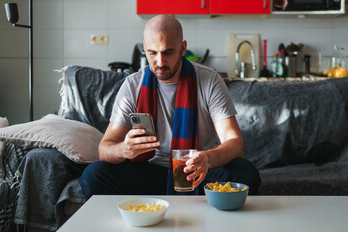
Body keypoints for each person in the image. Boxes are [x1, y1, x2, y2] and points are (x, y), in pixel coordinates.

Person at [79, 14, 260, 199]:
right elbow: (104, 148)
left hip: (196, 172)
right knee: (94, 174)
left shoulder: (209, 80)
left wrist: (208, 158)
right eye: (152, 53)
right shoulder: (132, 86)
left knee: (244, 172)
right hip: (149, 171)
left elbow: (235, 144)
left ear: (183, 48)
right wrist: (123, 149)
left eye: (168, 52)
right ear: (144, 48)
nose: (160, 62)